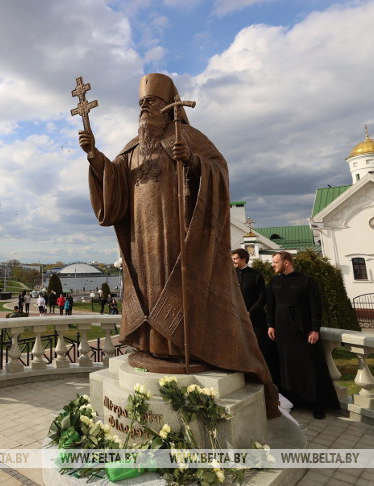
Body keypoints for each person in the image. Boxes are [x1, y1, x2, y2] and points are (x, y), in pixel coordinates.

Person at [81, 72, 278, 417]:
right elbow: (115, 184)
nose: (144, 109)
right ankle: (150, 345)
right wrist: (95, 156)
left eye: (151, 102)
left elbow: (219, 170)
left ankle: (182, 348)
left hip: (178, 235)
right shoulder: (132, 148)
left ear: (169, 104)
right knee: (147, 288)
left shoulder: (188, 136)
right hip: (142, 236)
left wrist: (193, 161)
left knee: (177, 283)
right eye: (141, 103)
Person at [266, 251, 339, 419]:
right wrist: (270, 325)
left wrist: (315, 329)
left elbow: (316, 306)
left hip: (303, 332)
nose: (273, 265)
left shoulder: (306, 281)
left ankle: (317, 404)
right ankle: (295, 400)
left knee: (310, 368)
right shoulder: (274, 282)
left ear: (286, 262)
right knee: (287, 367)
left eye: (275, 262)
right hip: (282, 333)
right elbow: (270, 306)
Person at [232, 248, 279, 388]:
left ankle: (268, 379)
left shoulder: (255, 275)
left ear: (243, 259)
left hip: (255, 319)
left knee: (262, 348)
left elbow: (262, 297)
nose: (232, 261)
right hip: (236, 319)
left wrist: (249, 312)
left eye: (235, 258)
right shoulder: (229, 275)